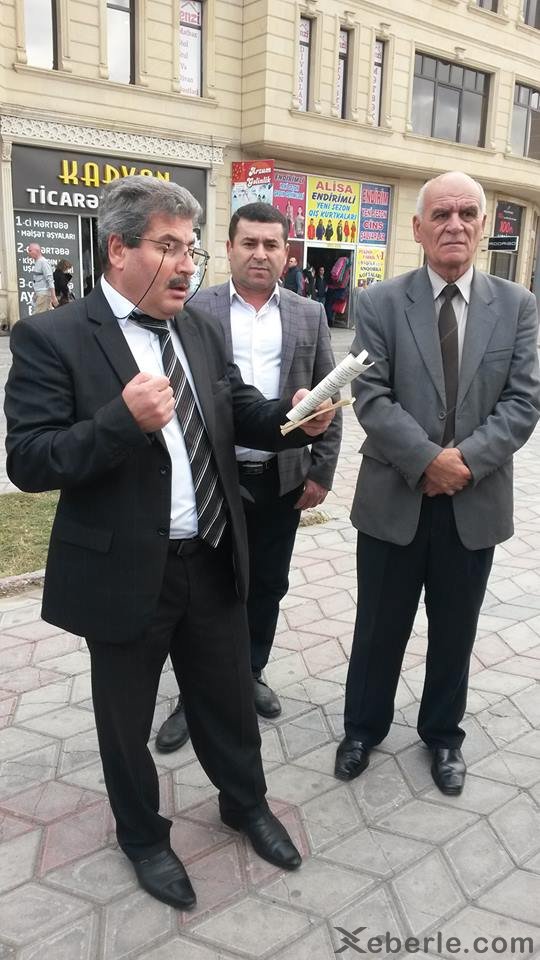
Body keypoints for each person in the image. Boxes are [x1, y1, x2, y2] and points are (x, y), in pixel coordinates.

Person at [5, 176, 335, 911]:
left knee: (229, 700)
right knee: (126, 722)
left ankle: (244, 803)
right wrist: (118, 422)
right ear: (118, 250)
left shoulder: (197, 328)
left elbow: (235, 408)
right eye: (169, 247)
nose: (188, 265)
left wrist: (294, 418)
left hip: (211, 552)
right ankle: (143, 837)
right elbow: (27, 460)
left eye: (192, 249)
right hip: (125, 571)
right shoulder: (53, 336)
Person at [335, 171, 540, 796]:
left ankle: (444, 736)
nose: (455, 224)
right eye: (442, 215)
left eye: (467, 213)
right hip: (394, 497)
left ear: (483, 226)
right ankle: (363, 728)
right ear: (418, 228)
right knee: (379, 624)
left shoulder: (517, 305)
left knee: (456, 628)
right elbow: (371, 396)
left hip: (473, 501)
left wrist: (462, 464)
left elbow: (523, 401)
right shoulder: (379, 303)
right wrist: (428, 460)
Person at [155, 201, 342, 752]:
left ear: (286, 253)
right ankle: (193, 696)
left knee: (267, 584)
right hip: (211, 477)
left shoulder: (309, 314)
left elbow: (327, 393)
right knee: (204, 590)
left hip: (281, 479)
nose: (260, 254)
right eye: (249, 243)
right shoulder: (194, 308)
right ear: (229, 248)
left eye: (271, 244)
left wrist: (321, 471)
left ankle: (251, 671)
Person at [27, 243, 58, 313]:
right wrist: (35, 294)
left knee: (37, 317)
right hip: (40, 294)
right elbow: (38, 281)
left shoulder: (43, 262)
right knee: (45, 316)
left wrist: (53, 297)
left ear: (37, 251)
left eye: (30, 250)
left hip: (43, 295)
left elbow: (50, 280)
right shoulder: (38, 262)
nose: (28, 253)